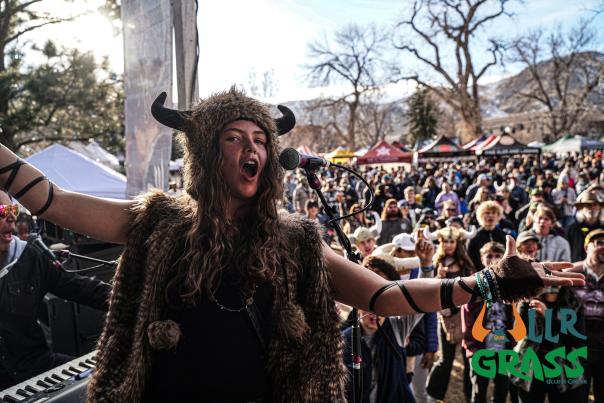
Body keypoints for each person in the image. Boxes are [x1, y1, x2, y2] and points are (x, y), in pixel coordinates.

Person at [0, 88, 583, 402]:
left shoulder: (293, 238)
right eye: (235, 137)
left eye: (260, 138)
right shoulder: (157, 222)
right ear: (205, 151)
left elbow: (384, 297)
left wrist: (485, 283)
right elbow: (51, 200)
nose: (252, 147)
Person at [0, 189, 111, 389]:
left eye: (13, 210)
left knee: (101, 381)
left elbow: (81, 288)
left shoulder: (30, 257)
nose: (10, 217)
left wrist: (134, 299)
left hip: (36, 367)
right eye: (2, 211)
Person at [343, 240, 434, 403]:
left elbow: (423, 300)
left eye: (382, 300)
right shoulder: (344, 339)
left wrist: (426, 266)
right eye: (370, 299)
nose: (375, 311)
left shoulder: (398, 328)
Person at [425, 227, 476, 403]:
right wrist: (438, 279)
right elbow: (429, 291)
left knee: (469, 358)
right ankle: (432, 395)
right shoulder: (435, 263)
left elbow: (473, 290)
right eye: (445, 241)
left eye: (452, 241)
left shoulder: (466, 265)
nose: (448, 245)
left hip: (466, 318)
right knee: (446, 360)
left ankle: (472, 396)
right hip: (445, 318)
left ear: (458, 243)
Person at [462, 242, 515, 403]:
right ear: (482, 258)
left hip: (505, 347)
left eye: (497, 256)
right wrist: (472, 349)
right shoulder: (474, 282)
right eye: (489, 256)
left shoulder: (511, 284)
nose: (493, 259)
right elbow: (467, 318)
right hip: (481, 348)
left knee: (502, 390)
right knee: (479, 391)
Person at [569, 229, 604, 403]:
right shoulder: (571, 273)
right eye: (599, 243)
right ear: (586, 247)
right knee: (576, 397)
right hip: (576, 348)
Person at [566, 188, 604, 262]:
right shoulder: (572, 228)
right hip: (576, 269)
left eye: (595, 205)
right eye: (588, 205)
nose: (592, 208)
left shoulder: (603, 229)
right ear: (581, 208)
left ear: (599, 208)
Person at [468, 201, 507, 271]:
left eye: (493, 213)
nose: (490, 215)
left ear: (498, 216)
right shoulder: (475, 236)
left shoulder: (504, 235)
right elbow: (470, 258)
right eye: (487, 213)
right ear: (481, 215)